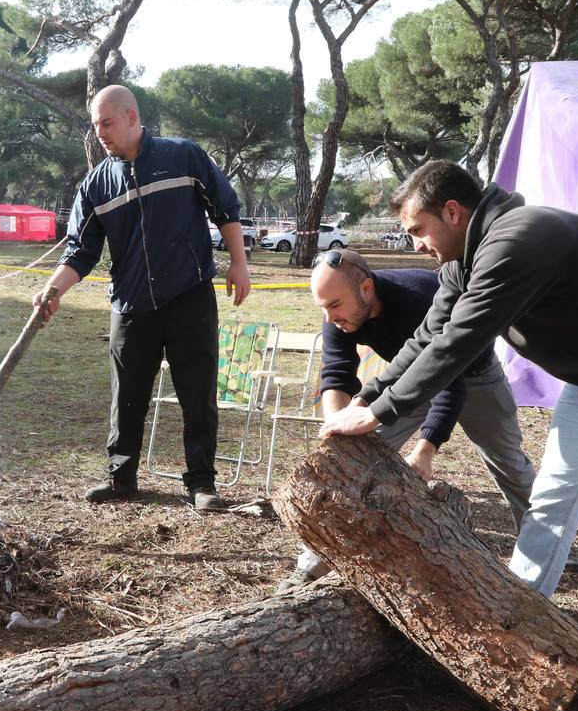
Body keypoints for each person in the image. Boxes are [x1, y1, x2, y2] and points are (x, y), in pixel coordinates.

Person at [321, 160, 578, 711]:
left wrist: (379, 413)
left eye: (421, 229)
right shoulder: (461, 256)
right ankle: (509, 648)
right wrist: (370, 398)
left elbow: (461, 342)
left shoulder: (517, 241)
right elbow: (429, 333)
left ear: (454, 212)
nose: (417, 245)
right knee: (548, 510)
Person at [34, 84, 252, 511]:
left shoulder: (183, 156)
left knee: (197, 393)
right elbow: (80, 251)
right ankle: (121, 479)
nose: (100, 133)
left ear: (132, 117)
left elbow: (226, 208)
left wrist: (239, 263)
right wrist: (53, 288)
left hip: (190, 295)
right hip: (131, 305)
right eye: (95, 125)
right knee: (127, 395)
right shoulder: (95, 185)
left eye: (107, 123)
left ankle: (202, 484)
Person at [275, 247, 535, 593]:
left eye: (334, 306)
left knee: (509, 463)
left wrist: (426, 450)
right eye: (322, 308)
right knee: (353, 460)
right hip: (405, 383)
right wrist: (337, 431)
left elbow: (449, 382)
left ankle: (543, 547)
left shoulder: (418, 300)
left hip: (474, 375)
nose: (329, 318)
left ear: (366, 289)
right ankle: (311, 565)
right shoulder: (336, 311)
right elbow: (336, 374)